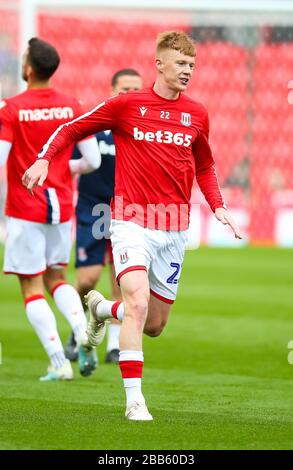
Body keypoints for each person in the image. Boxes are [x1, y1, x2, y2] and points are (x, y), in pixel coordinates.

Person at [23, 31, 242, 418]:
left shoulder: (197, 113)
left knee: (153, 324)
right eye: (180, 63)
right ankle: (134, 401)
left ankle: (103, 311)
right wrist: (44, 158)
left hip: (174, 228)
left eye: (191, 64)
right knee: (137, 302)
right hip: (129, 221)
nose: (187, 70)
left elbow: (204, 165)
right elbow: (73, 128)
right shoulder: (127, 105)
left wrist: (218, 205)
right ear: (159, 64)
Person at [0, 37, 101, 381]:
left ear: (28, 68)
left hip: (25, 209)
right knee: (57, 277)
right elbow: (93, 159)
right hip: (61, 209)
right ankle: (81, 331)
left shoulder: (11, 108)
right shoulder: (73, 105)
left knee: (31, 287)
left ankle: (59, 362)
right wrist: (63, 170)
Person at [66, 69, 143, 364]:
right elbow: (71, 159)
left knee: (121, 282)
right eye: (125, 88)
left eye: (136, 89)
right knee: (87, 279)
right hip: (92, 209)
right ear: (112, 90)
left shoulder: (141, 132)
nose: (130, 94)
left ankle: (114, 346)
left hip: (127, 212)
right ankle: (76, 330)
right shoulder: (95, 125)